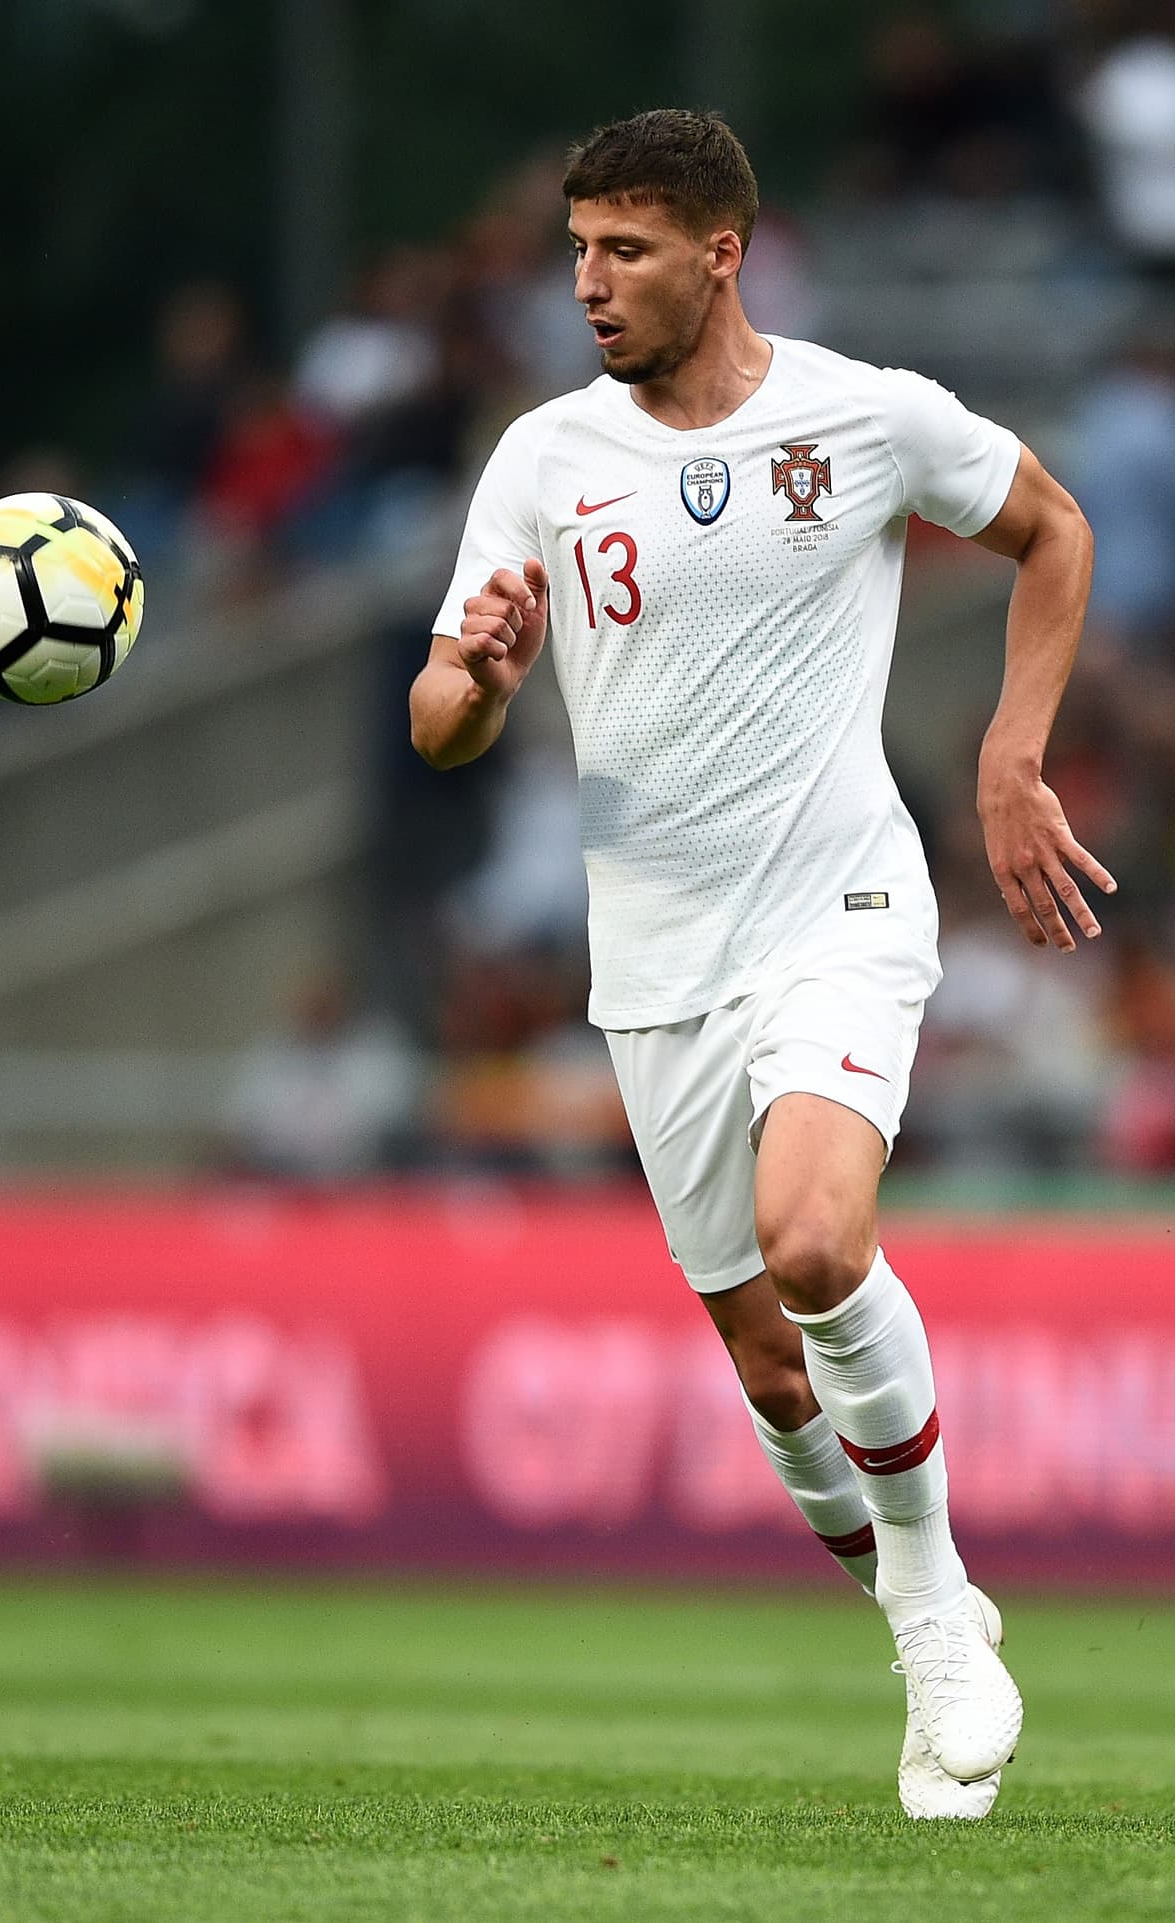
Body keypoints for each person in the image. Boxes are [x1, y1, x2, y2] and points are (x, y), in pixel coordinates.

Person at [410, 110, 1113, 1820]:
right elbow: (437, 722)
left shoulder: (863, 417)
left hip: (840, 916)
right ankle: (917, 1614)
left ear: (722, 254)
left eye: (625, 251)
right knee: (775, 1374)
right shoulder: (542, 461)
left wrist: (1013, 754)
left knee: (817, 1241)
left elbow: (1054, 533)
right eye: (578, 248)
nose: (589, 283)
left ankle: (938, 1613)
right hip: (653, 965)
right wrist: (487, 679)